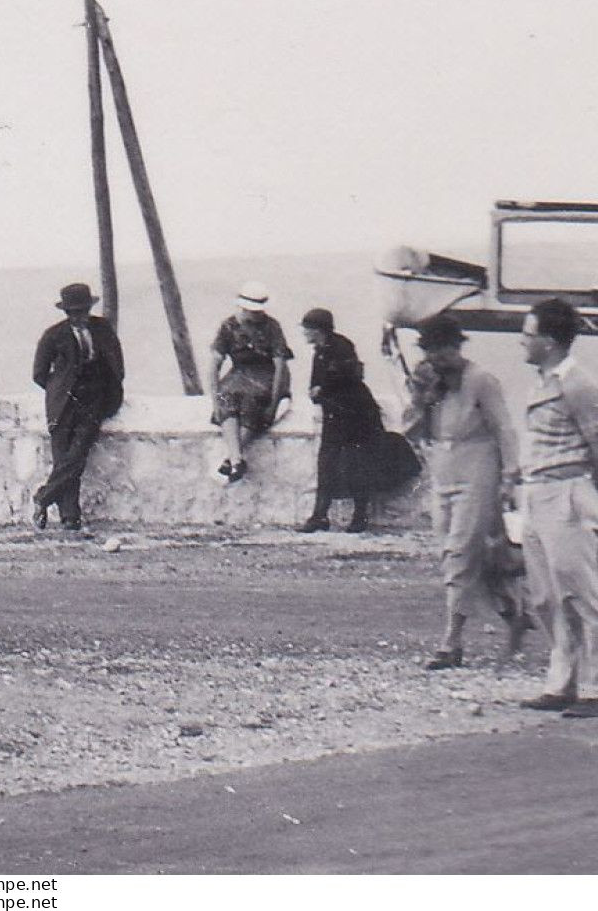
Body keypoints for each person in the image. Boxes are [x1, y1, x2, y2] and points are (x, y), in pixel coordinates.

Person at [516, 298, 598, 718]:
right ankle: (563, 682)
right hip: (537, 495)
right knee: (545, 597)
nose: (521, 342)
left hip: (567, 495)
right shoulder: (542, 381)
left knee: (581, 595)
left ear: (548, 340)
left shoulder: (579, 384)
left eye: (527, 335)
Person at [404, 314, 526, 669]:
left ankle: (451, 643)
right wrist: (420, 397)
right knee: (457, 554)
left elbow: (504, 428)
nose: (437, 358)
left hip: (478, 469)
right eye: (430, 351)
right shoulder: (431, 384)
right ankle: (512, 612)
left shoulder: (481, 380)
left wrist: (509, 475)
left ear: (457, 347)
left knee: (460, 553)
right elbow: (412, 432)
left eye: (443, 350)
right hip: (444, 470)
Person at [30, 282, 125, 531]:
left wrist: (108, 392)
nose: (79, 317)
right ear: (66, 313)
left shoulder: (102, 329)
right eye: (74, 312)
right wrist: (59, 389)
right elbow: (39, 373)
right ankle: (70, 517)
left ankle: (44, 496)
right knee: (64, 457)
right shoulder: (53, 335)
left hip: (93, 400)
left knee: (77, 454)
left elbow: (116, 362)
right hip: (63, 404)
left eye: (83, 311)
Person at [298, 308, 385, 533]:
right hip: (335, 414)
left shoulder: (341, 346)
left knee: (356, 464)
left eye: (307, 328)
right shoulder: (320, 351)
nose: (304, 332)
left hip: (357, 415)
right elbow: (318, 382)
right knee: (327, 464)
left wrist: (322, 388)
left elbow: (347, 375)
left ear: (318, 330)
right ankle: (319, 516)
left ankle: (359, 517)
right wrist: (316, 391)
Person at [206, 281, 292, 483]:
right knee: (227, 399)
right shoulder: (228, 326)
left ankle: (231, 459)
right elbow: (214, 364)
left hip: (264, 374)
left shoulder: (272, 326)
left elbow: (280, 365)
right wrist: (214, 399)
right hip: (238, 373)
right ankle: (237, 459)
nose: (256, 316)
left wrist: (275, 399)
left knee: (253, 402)